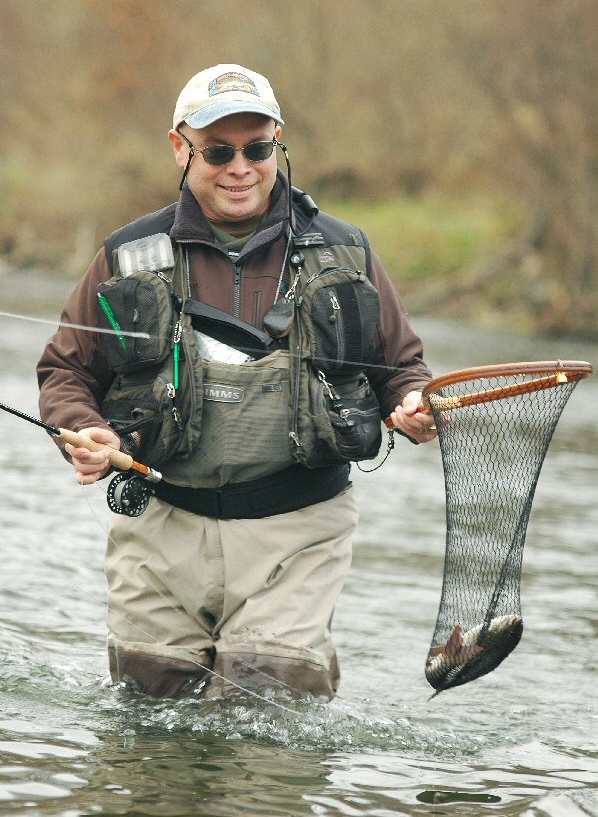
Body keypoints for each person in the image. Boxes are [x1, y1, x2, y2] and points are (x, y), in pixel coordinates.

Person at [37, 64, 437, 701]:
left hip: (298, 533)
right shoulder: (125, 256)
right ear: (180, 148)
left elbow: (403, 368)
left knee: (264, 714)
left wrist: (414, 404)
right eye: (219, 151)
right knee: (148, 720)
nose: (240, 168)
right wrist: (83, 430)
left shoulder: (347, 251)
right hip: (161, 527)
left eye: (257, 149)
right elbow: (66, 371)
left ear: (278, 143)